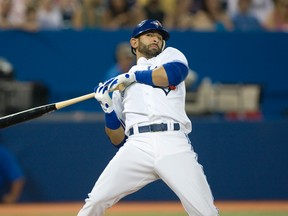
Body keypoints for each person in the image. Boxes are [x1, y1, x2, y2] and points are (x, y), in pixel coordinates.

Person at [77, 19, 218, 216]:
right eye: (150, 35)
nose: (156, 39)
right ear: (134, 42)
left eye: (159, 37)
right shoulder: (120, 87)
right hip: (137, 145)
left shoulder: (169, 56)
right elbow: (118, 139)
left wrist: (132, 77)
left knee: (205, 211)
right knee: (95, 201)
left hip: (173, 142)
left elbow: (174, 74)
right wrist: (108, 108)